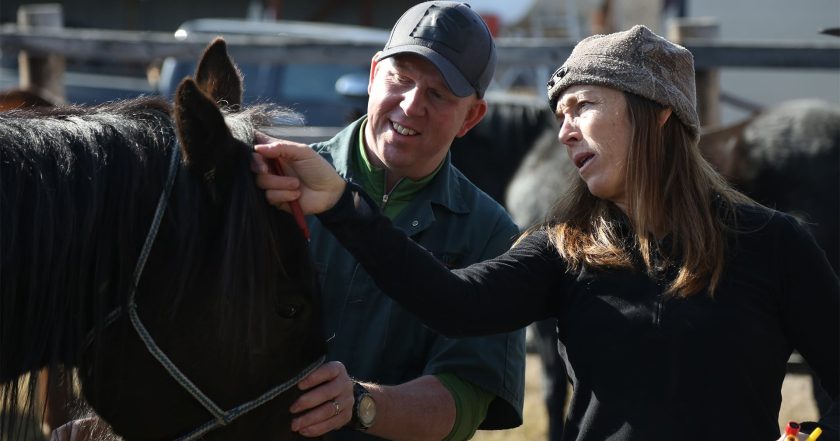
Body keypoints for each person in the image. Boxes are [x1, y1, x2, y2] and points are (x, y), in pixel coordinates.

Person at [254, 25, 839, 441]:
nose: (564, 133)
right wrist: (341, 204)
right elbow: (452, 301)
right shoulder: (564, 248)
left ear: (658, 114)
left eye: (581, 106)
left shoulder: (774, 244)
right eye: (558, 116)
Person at [259, 2, 526, 440]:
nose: (411, 104)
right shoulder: (279, 185)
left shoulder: (488, 232)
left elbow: (464, 401)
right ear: (372, 76)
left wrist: (362, 404)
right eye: (400, 78)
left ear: (471, 118)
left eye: (438, 94)